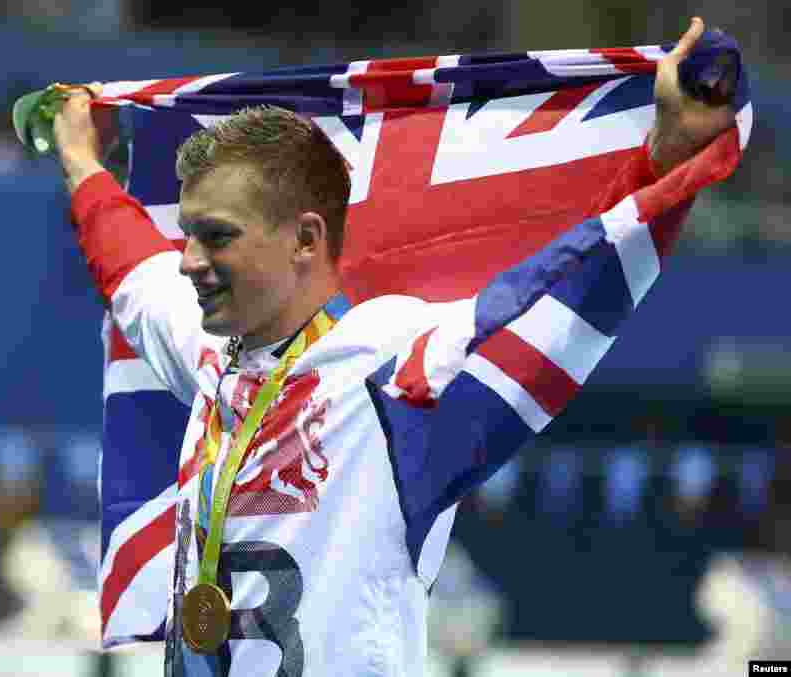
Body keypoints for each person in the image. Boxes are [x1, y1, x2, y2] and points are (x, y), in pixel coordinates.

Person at [50, 18, 736, 676]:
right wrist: (83, 159)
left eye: (218, 236)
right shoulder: (212, 359)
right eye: (189, 234)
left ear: (306, 240)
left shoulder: (388, 369)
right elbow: (134, 273)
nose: (189, 260)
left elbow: (564, 299)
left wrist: (664, 161)